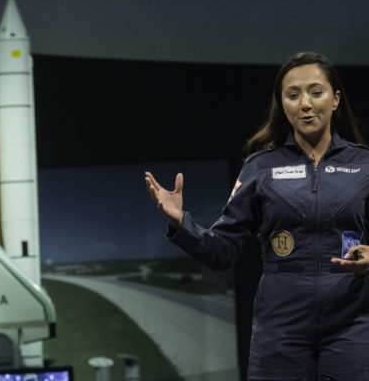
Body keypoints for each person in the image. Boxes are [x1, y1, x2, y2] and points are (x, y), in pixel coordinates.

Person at [145, 51, 369, 381]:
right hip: (280, 328)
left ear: (335, 100)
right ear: (282, 104)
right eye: (293, 95)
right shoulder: (260, 167)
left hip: (352, 325)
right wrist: (181, 223)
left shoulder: (364, 165)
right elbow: (222, 252)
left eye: (316, 91)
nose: (305, 103)